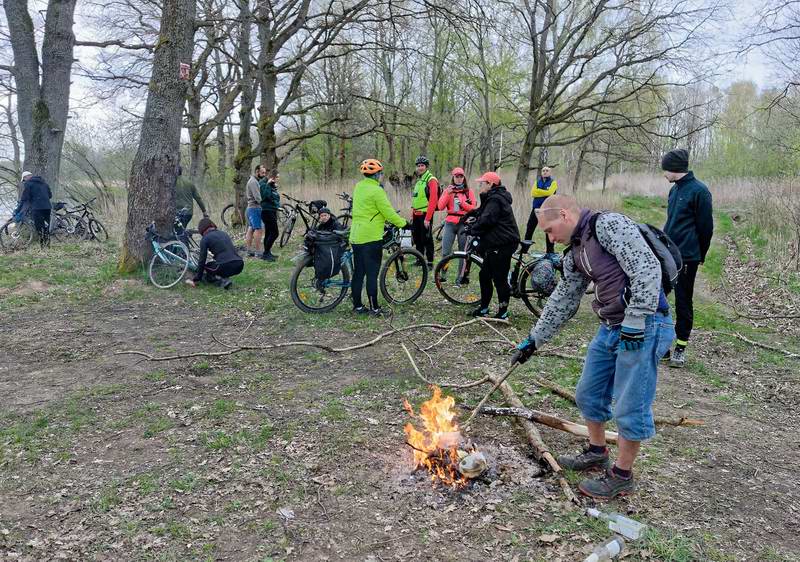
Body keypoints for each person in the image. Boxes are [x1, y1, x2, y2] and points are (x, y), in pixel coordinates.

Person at [511, 194, 675, 500]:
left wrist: (637, 319)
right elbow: (563, 299)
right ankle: (597, 452)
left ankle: (622, 476)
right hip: (610, 326)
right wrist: (534, 339)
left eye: (548, 229)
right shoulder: (574, 252)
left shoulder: (609, 225)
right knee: (589, 393)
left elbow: (647, 269)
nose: (549, 237)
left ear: (564, 214)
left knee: (629, 404)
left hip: (645, 324)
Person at [661, 149, 713, 368]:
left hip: (688, 257)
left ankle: (680, 348)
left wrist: (700, 254)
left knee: (683, 301)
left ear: (675, 168)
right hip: (667, 254)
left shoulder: (700, 191)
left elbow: (706, 228)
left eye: (665, 169)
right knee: (658, 297)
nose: (663, 173)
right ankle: (663, 345)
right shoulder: (674, 190)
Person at [350, 158, 408, 315]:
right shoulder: (377, 191)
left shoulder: (358, 187)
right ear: (376, 175)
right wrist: (404, 223)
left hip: (356, 236)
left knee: (358, 273)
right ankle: (374, 308)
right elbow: (388, 212)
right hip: (370, 238)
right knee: (371, 274)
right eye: (380, 173)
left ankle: (357, 306)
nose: (381, 176)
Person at [466, 171, 520, 319]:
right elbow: (483, 213)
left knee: (499, 279)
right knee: (484, 275)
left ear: (490, 184)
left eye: (482, 183)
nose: (479, 186)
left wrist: (473, 229)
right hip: (495, 243)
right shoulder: (492, 197)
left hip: (503, 243)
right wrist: (470, 215)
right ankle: (484, 308)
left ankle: (503, 312)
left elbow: (487, 220)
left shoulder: (496, 199)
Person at [185, 218, 244, 290]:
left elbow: (202, 260)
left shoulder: (205, 238)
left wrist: (197, 278)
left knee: (207, 266)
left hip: (225, 265)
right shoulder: (223, 233)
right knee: (219, 264)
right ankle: (224, 277)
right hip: (239, 264)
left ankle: (221, 281)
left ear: (201, 229)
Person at [437, 167, 477, 260]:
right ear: (453, 178)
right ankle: (442, 274)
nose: (459, 179)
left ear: (464, 178)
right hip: (450, 223)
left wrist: (462, 203)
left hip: (464, 223)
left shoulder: (468, 192)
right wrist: (447, 193)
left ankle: (460, 275)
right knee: (445, 252)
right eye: (456, 177)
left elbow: (473, 209)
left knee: (463, 253)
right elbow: (440, 207)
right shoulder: (448, 190)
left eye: (461, 176)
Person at [410, 155, 439, 268]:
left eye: (422, 165)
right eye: (418, 166)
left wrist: (428, 218)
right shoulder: (419, 181)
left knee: (427, 239)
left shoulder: (431, 180)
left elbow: (433, 200)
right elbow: (415, 199)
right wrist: (412, 214)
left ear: (426, 167)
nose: (420, 168)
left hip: (425, 215)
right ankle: (419, 259)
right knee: (417, 238)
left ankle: (430, 262)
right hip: (416, 215)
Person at [523, 166, 558, 254]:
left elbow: (550, 193)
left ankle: (550, 251)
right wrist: (544, 193)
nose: (545, 172)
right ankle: (524, 249)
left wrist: (539, 191)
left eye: (547, 171)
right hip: (536, 208)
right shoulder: (537, 182)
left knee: (548, 230)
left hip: (547, 209)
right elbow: (533, 193)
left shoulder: (553, 183)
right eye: (543, 171)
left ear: (550, 173)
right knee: (530, 227)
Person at [13, 171, 52, 247]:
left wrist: (18, 210)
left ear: (26, 177)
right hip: (47, 207)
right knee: (46, 226)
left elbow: (25, 198)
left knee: (39, 227)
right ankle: (47, 245)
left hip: (37, 208)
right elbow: (50, 195)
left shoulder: (28, 184)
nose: (24, 182)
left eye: (24, 180)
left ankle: (42, 246)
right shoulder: (44, 183)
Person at [260, 168, 281, 262]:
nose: (278, 179)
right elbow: (265, 196)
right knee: (275, 232)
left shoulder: (271, 184)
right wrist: (268, 185)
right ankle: (265, 253)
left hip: (272, 210)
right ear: (272, 177)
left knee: (269, 232)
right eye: (277, 177)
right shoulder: (263, 184)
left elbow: (275, 197)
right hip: (266, 211)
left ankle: (267, 253)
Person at [245, 164, 265, 257]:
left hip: (251, 208)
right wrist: (264, 204)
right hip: (254, 208)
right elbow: (258, 198)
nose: (264, 174)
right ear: (257, 171)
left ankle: (249, 250)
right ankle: (258, 252)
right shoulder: (253, 182)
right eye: (262, 172)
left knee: (251, 228)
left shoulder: (254, 181)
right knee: (258, 230)